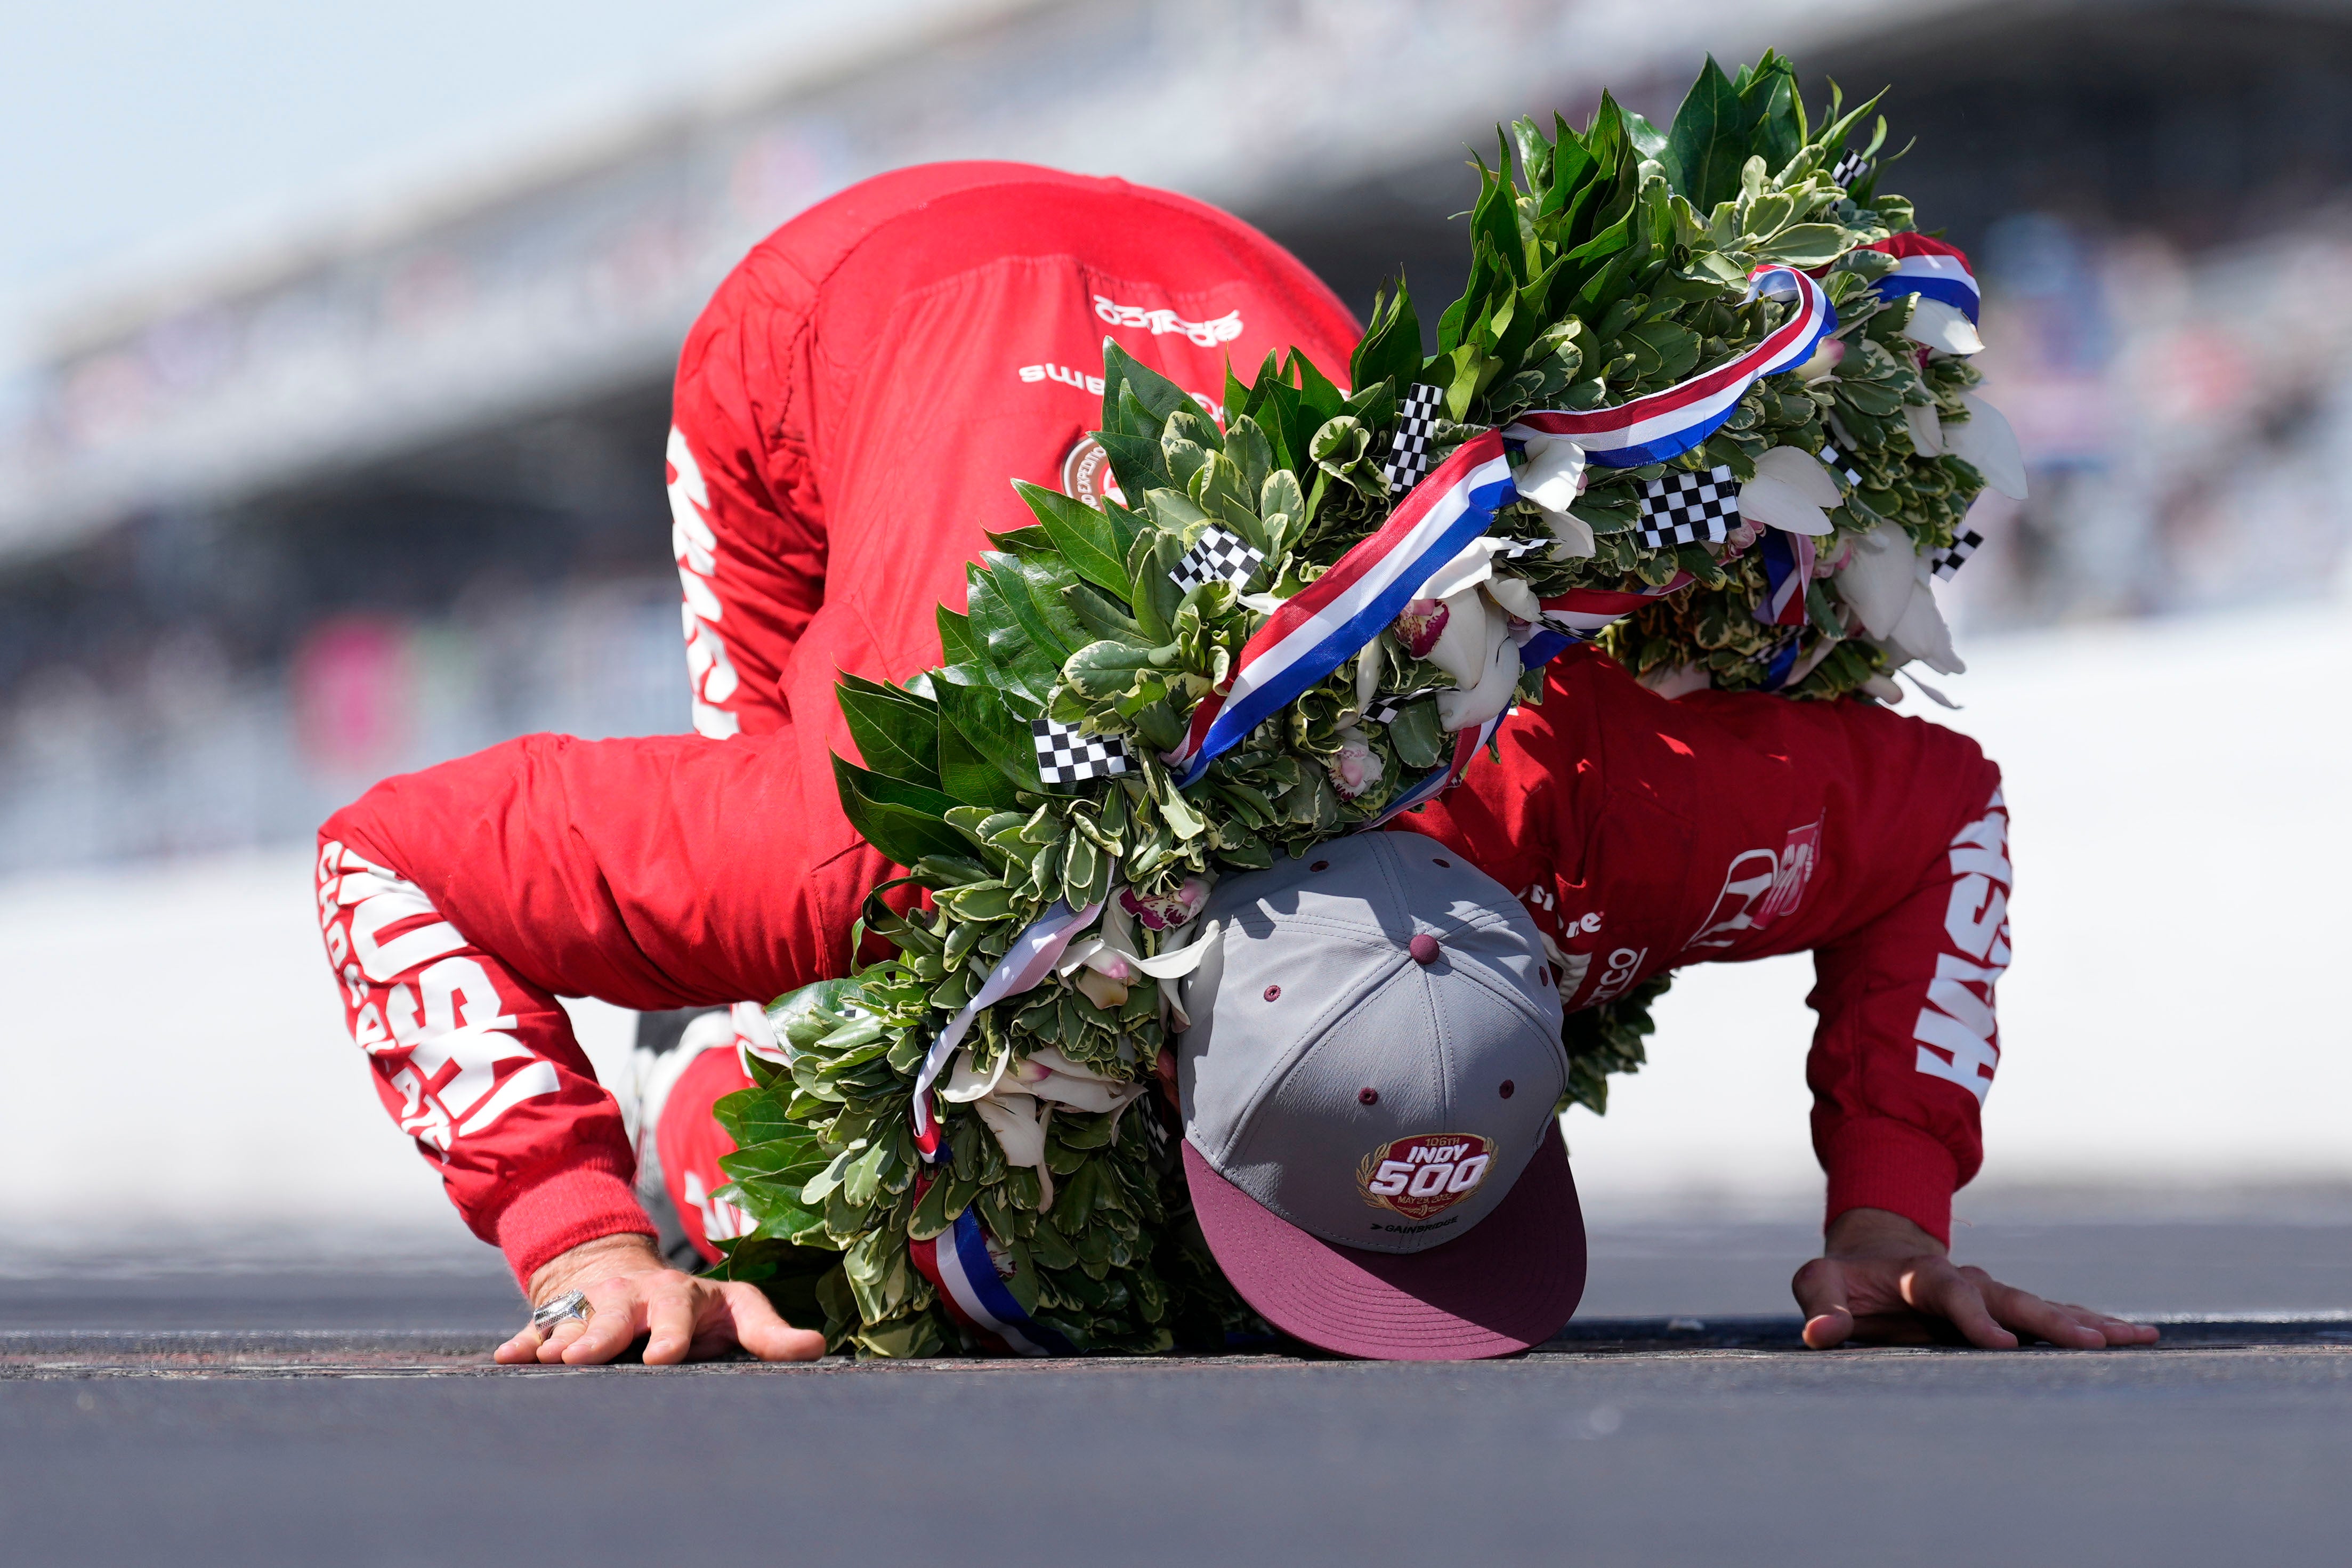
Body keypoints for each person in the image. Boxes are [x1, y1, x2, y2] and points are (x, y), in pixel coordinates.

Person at [312, 161, 2155, 1364]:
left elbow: (1942, 820)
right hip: (857, 300)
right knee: (807, 1009)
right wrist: (581, 1238)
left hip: (1231, 275)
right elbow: (387, 856)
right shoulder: (880, 836)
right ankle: (715, 1098)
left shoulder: (1587, 805)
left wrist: (1893, 1222)